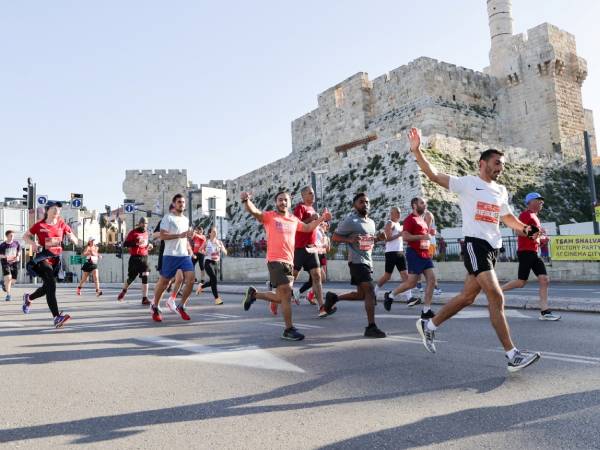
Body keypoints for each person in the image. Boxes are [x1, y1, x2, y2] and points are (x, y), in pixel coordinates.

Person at [406, 127, 541, 372]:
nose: (501, 167)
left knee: (467, 297)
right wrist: (418, 151)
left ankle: (430, 326)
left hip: (493, 248)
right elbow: (434, 175)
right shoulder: (467, 184)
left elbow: (508, 219)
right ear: (483, 163)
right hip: (474, 245)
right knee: (496, 296)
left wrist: (529, 231)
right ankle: (512, 355)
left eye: (502, 164)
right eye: (497, 163)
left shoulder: (500, 190)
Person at [240, 190, 332, 341]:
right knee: (287, 295)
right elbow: (255, 212)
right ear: (276, 202)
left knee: (280, 297)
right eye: (280, 200)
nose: (283, 202)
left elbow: (308, 228)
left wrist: (322, 218)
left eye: (285, 200)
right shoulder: (270, 216)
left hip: (289, 261)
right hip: (275, 260)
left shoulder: (293, 219)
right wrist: (246, 201)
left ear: (289, 203)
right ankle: (288, 329)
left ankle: (254, 294)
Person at [323, 192, 387, 338]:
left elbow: (368, 242)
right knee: (370, 291)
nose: (365, 204)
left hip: (367, 260)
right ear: (355, 205)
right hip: (357, 261)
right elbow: (335, 236)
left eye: (367, 202)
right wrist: (350, 240)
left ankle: (334, 298)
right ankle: (371, 327)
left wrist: (379, 238)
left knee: (361, 294)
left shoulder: (371, 222)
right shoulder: (351, 220)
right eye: (361, 202)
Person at [501, 192, 560, 321]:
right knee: (521, 282)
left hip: (533, 252)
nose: (541, 202)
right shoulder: (525, 214)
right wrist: (537, 233)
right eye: (539, 200)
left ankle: (545, 312)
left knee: (544, 279)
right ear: (530, 202)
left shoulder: (535, 217)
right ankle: (496, 292)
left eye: (542, 201)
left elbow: (533, 236)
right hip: (525, 252)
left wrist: (542, 239)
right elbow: (518, 230)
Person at [22, 201, 78, 328]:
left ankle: (29, 298)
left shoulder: (62, 224)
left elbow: (73, 237)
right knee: (51, 286)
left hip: (55, 260)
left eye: (58, 208)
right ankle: (56, 317)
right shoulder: (40, 225)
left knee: (47, 288)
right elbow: (26, 236)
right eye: (54, 208)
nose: (57, 210)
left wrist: (72, 238)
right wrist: (33, 244)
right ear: (47, 210)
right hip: (43, 259)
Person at [383, 197, 438, 320]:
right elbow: (406, 237)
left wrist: (429, 234)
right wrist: (422, 236)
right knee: (411, 283)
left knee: (432, 279)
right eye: (422, 203)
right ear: (414, 205)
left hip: (424, 253)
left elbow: (424, 235)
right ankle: (390, 295)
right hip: (414, 254)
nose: (425, 205)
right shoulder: (409, 219)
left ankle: (426, 310)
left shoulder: (421, 220)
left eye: (425, 203)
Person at [151, 194, 196, 322]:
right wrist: (179, 235)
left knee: (191, 279)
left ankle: (182, 306)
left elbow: (185, 237)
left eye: (183, 202)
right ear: (174, 204)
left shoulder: (186, 220)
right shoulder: (168, 218)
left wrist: (189, 237)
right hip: (170, 255)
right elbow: (163, 236)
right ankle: (155, 306)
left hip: (183, 255)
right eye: (179, 202)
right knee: (165, 283)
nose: (181, 204)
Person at [291, 186, 327, 315]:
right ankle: (277, 298)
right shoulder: (300, 208)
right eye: (310, 193)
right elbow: (296, 224)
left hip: (312, 248)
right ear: (304, 196)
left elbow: (314, 228)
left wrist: (321, 220)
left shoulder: (312, 209)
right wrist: (312, 219)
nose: (313, 195)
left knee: (317, 276)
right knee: (292, 278)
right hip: (300, 247)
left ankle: (322, 307)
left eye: (313, 193)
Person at [374, 207, 412, 304]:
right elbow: (387, 239)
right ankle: (374, 293)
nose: (399, 214)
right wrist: (399, 235)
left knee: (405, 276)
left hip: (400, 252)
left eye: (400, 213)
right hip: (391, 253)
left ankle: (409, 298)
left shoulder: (399, 224)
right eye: (397, 213)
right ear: (392, 213)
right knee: (387, 276)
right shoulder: (389, 223)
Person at [117, 216, 153, 305]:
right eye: (143, 223)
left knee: (145, 275)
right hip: (135, 258)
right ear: (140, 223)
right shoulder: (133, 232)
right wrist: (136, 243)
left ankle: (144, 298)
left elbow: (145, 244)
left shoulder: (146, 233)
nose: (145, 225)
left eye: (146, 223)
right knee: (131, 278)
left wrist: (149, 246)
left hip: (144, 257)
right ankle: (124, 291)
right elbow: (125, 244)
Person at [196, 226, 226, 305]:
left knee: (213, 281)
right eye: (213, 231)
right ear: (209, 233)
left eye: (216, 231)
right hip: (208, 262)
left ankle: (201, 287)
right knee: (213, 279)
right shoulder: (207, 242)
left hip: (215, 263)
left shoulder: (219, 242)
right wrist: (204, 253)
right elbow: (200, 250)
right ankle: (217, 299)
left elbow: (225, 252)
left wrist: (221, 248)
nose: (215, 233)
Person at [0, 230, 21, 302]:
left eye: (13, 235)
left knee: (13, 281)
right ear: (7, 236)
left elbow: (19, 251)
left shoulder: (16, 243)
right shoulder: (2, 245)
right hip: (5, 263)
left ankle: (4, 284)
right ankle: (8, 295)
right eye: (11, 235)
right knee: (8, 278)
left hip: (14, 263)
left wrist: (18, 256)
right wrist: (6, 256)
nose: (12, 237)